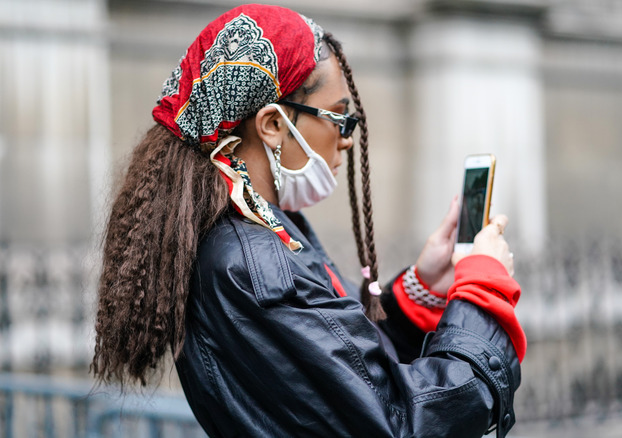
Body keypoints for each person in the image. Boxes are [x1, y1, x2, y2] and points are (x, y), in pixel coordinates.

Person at [91, 4, 526, 437]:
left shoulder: (260, 232)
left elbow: (346, 371)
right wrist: (482, 293)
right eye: (339, 116)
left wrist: (419, 289)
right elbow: (402, 424)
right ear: (273, 126)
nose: (347, 139)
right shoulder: (253, 266)